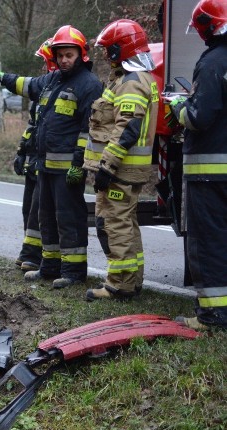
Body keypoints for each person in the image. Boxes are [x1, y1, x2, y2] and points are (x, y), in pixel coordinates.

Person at [0, 25, 103, 289]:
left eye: (69, 54)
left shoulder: (90, 85)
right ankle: (49, 266)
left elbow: (90, 128)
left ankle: (73, 271)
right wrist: (1, 77)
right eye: (60, 55)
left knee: (68, 218)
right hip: (45, 166)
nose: (63, 59)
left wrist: (79, 163)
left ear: (81, 54)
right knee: (46, 217)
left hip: (67, 169)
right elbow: (26, 85)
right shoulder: (52, 80)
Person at [83, 19, 159, 301]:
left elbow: (127, 128)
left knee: (115, 223)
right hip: (127, 170)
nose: (105, 55)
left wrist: (106, 166)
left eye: (108, 49)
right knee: (126, 222)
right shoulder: (132, 78)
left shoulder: (130, 83)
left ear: (120, 49)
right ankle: (132, 281)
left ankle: (119, 284)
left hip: (121, 170)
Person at [169, 0, 227, 331]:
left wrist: (179, 107)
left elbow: (198, 117)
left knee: (208, 242)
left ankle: (213, 316)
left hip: (210, 173)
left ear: (207, 26)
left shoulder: (212, 62)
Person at [13, 38, 58, 272]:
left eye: (44, 61)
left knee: (38, 212)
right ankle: (29, 252)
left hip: (49, 162)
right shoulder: (45, 89)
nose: (42, 66)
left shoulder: (57, 90)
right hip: (34, 159)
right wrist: (21, 152)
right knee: (28, 208)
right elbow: (33, 126)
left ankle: (35, 256)